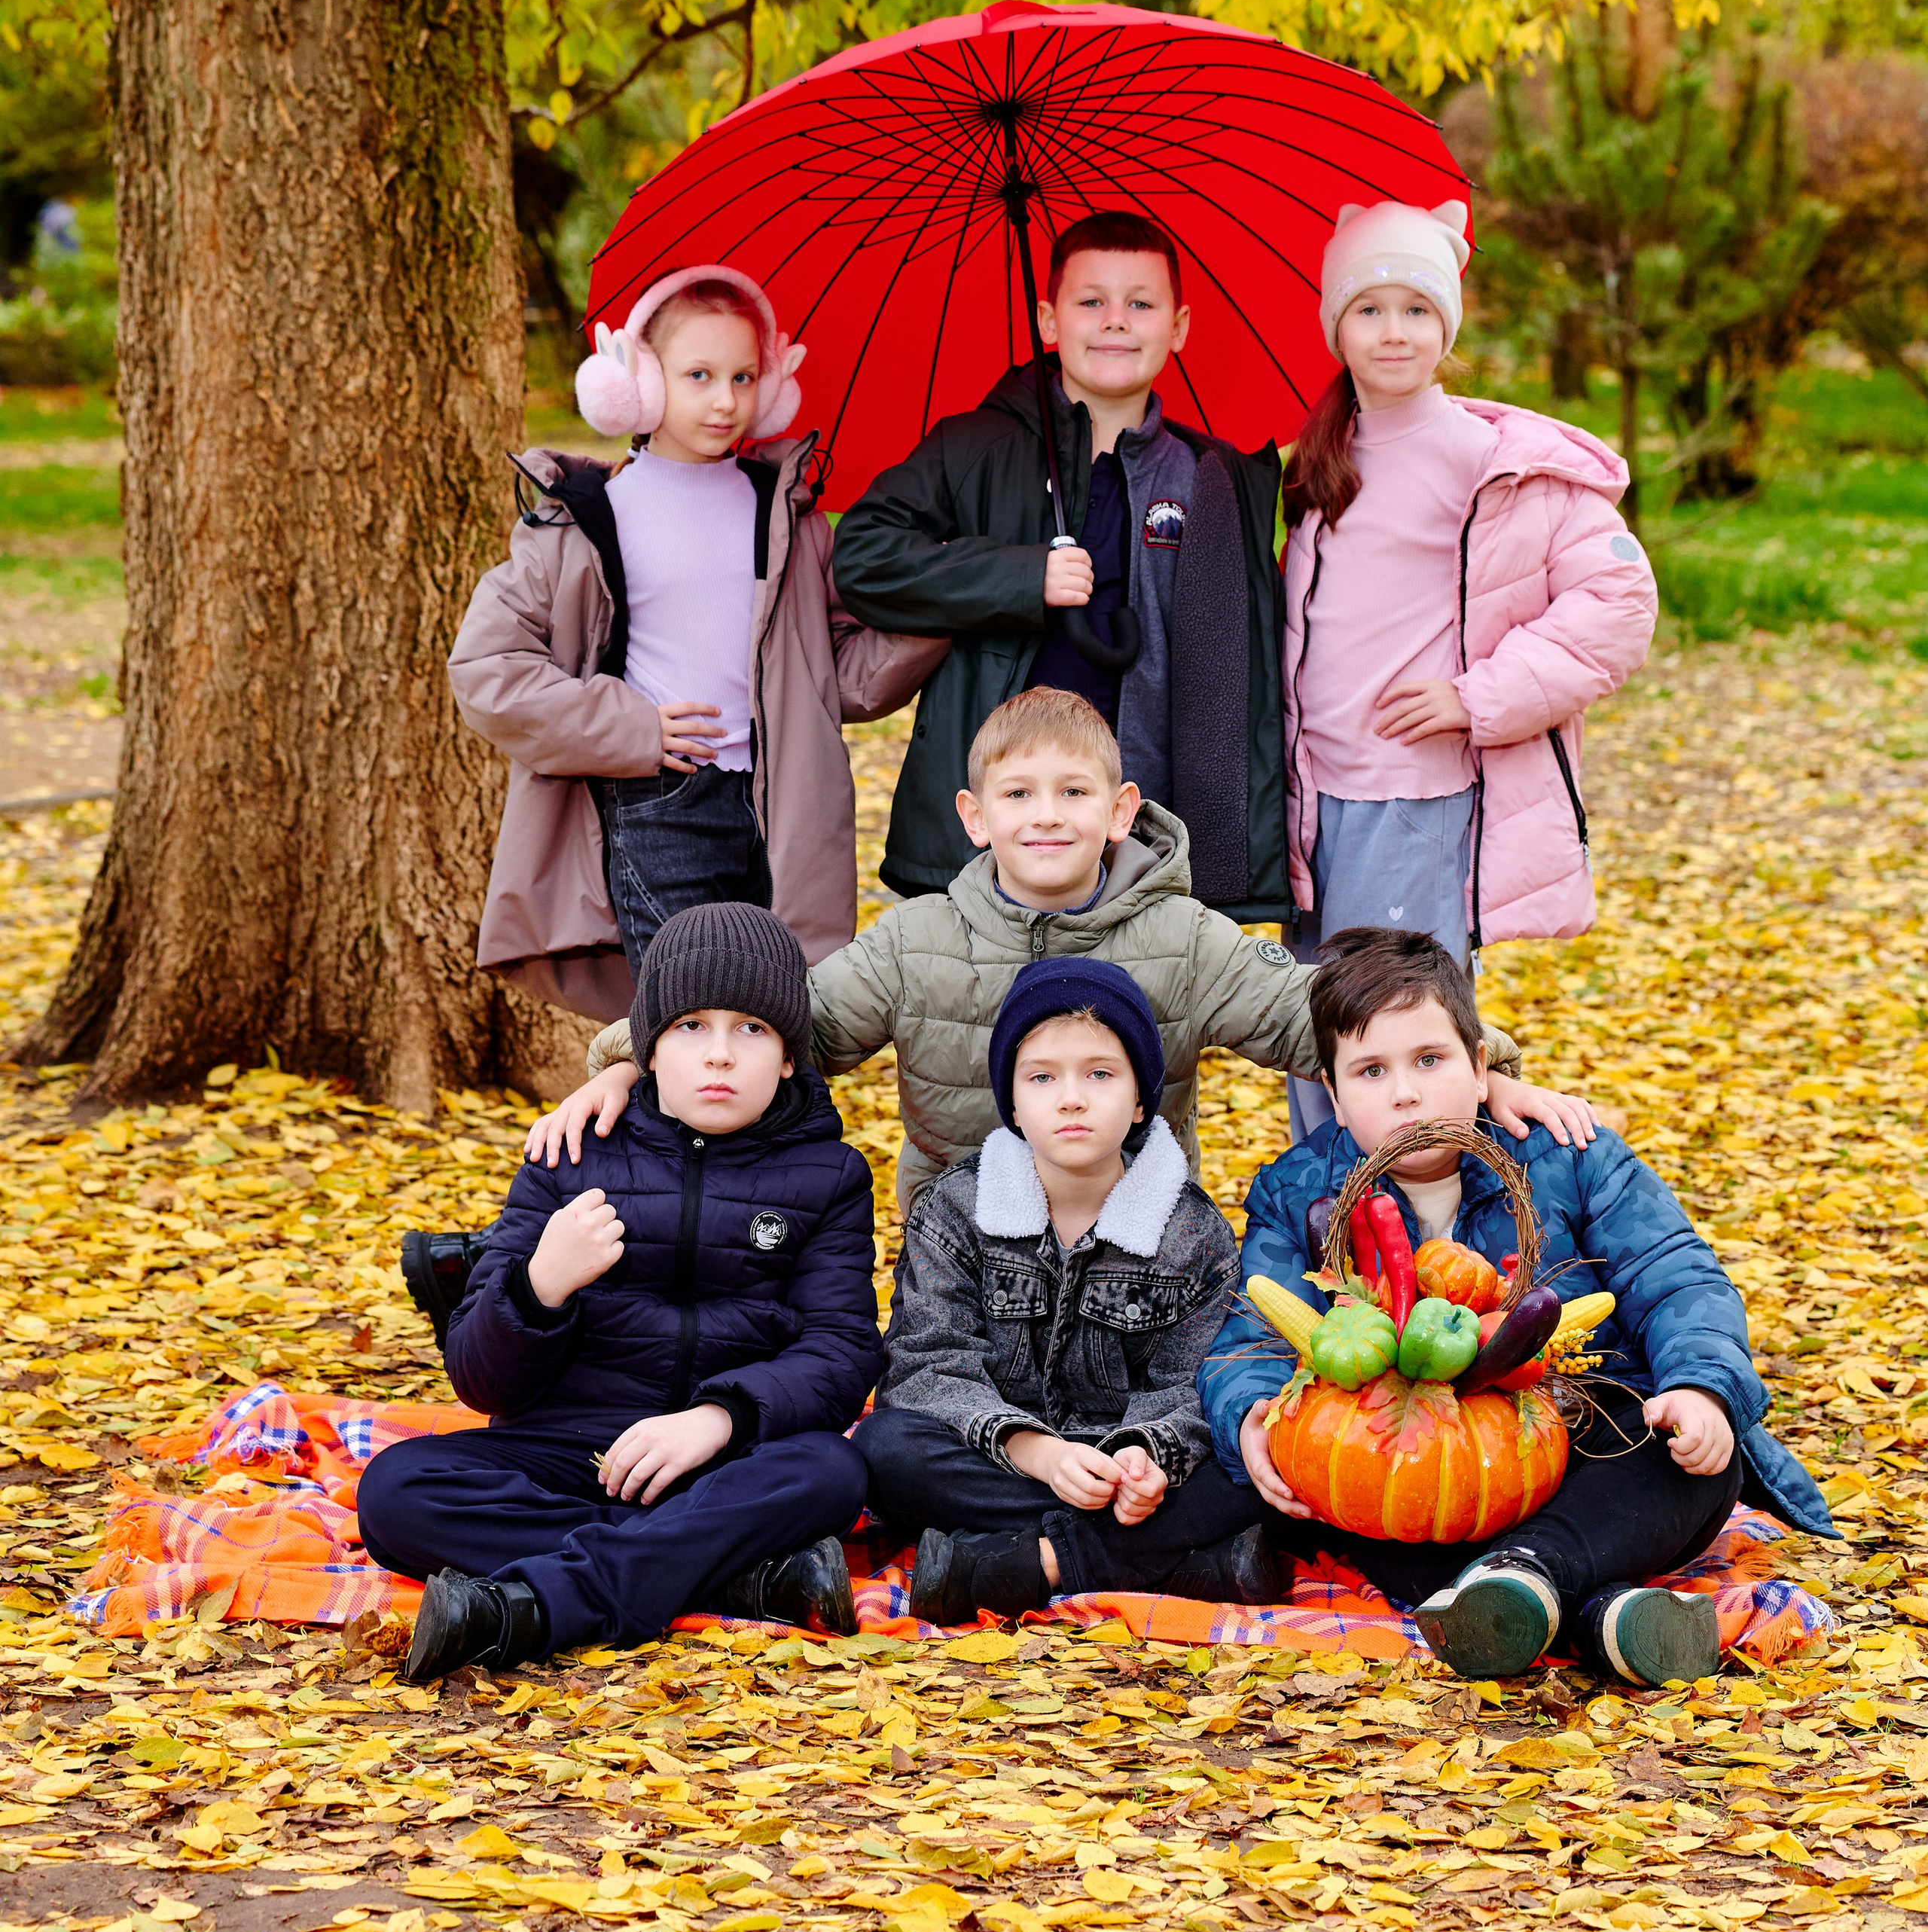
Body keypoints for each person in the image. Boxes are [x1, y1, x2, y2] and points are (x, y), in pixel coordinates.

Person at [526, 688, 1594, 1221]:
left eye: (1074, 792)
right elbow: (783, 1021)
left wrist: (1482, 1070)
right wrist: (631, 1059)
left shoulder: (1185, 938)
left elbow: (1324, 1013)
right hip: (963, 1252)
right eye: (1020, 794)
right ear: (975, 817)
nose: (1047, 815)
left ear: (1119, 810)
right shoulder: (917, 942)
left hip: (1139, 1246)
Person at [1198, 927, 1835, 1686]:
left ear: (1479, 1069)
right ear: (1333, 1098)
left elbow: (1678, 1278)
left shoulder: (1569, 1154)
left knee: (1692, 1462)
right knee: (1335, 1490)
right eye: (1370, 1071)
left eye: (1429, 1061)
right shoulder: (1297, 1191)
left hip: (1580, 1433)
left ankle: (1521, 1579)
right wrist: (1250, 1413)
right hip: (1411, 1459)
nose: (1404, 1092)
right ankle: (1599, 1616)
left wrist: (1701, 1389)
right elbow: (1251, 1333)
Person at [358, 904, 881, 1680]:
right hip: (568, 1448)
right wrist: (539, 1286)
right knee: (396, 1491)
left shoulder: (829, 1176)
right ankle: (733, 1575)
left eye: (752, 1029)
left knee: (832, 1472)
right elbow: (478, 1380)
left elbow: (840, 1351)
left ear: (786, 1059)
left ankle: (548, 1601)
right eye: (691, 1027)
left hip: (722, 1461)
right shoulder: (570, 1153)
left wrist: (717, 1419)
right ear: (649, 1049)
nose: (720, 1054)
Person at [447, 261, 944, 1021]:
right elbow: (488, 669)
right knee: (687, 1020)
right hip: (661, 804)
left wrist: (948, 605)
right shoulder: (583, 522)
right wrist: (633, 729)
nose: (725, 400)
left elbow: (840, 673)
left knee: (776, 1021)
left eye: (744, 378)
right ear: (641, 384)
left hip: (783, 807)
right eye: (699, 376)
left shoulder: (789, 518)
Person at [1280, 199, 1656, 1134]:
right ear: (1335, 326)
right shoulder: (1318, 460)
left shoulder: (1491, 460)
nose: (1393, 331)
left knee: (1398, 1033)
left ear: (1447, 327)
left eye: (1417, 309)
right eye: (1369, 309)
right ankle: (1329, 1209)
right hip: (1312, 798)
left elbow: (1617, 600)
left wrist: (1473, 696)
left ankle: (1406, 1215)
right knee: (1318, 1031)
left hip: (1411, 796)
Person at [828, 208, 1291, 920]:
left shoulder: (1212, 478)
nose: (1116, 321)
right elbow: (864, 555)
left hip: (1138, 834)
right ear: (1048, 321)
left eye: (1141, 304)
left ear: (1179, 327)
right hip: (998, 827)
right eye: (1091, 302)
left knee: (1131, 995)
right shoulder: (975, 446)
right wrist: (1019, 577)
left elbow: (1239, 676)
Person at [856, 961, 1283, 1620]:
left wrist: (1146, 1457)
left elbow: (1196, 1383)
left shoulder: (1190, 1230)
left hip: (1130, 1469)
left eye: (1100, 1074)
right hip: (1002, 1460)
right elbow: (927, 1364)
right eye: (1042, 1078)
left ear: (1140, 1101)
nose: (1072, 1099)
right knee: (884, 1449)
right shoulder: (956, 1208)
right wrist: (1042, 1454)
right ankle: (1174, 1563)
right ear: (1013, 1103)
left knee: (1253, 1465)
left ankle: (1032, 1562)